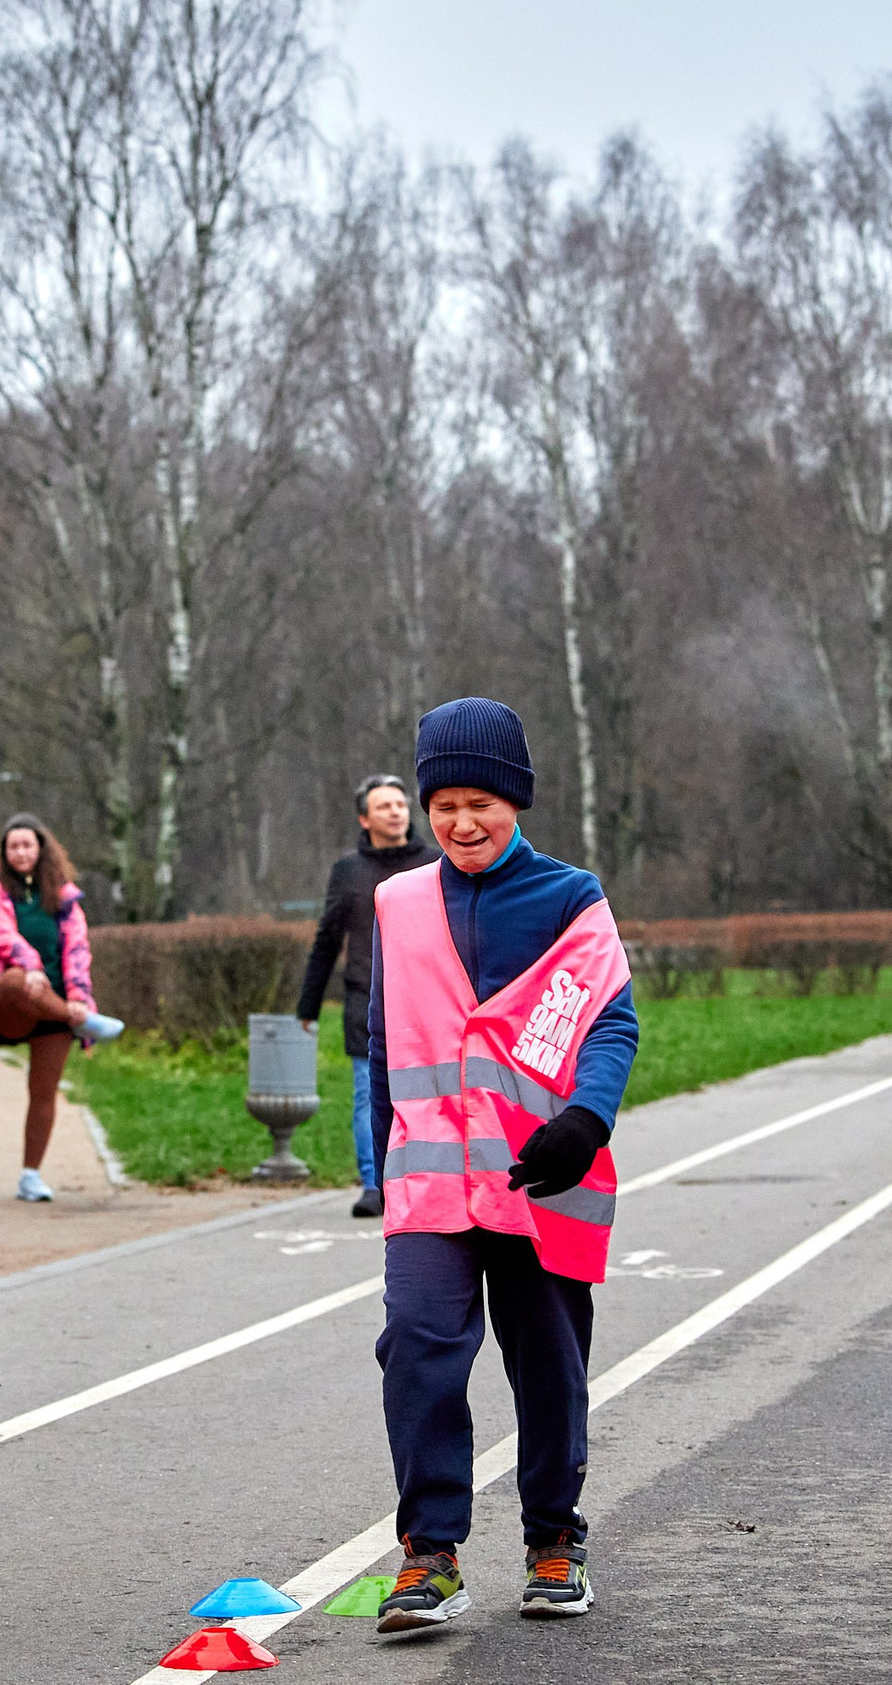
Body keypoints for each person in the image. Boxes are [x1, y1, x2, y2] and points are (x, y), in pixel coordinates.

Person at [364, 698, 639, 1634]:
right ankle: (429, 1554)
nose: (462, 822)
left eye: (482, 800)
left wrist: (587, 1120)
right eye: (444, 803)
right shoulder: (398, 903)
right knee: (418, 1349)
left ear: (516, 799)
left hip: (543, 1177)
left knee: (548, 1362)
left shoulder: (571, 898)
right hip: (431, 1180)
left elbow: (611, 1020)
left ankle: (555, 1537)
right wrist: (378, 1169)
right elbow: (384, 1040)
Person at [0, 813, 122, 1202]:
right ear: (4, 853)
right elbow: (2, 936)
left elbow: (78, 950)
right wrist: (32, 966)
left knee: (44, 1092)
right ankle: (80, 1020)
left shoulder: (65, 898)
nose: (20, 852)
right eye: (13, 846)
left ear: (41, 849)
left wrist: (79, 996)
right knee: (18, 981)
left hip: (56, 1003)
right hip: (15, 1003)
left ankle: (30, 1176)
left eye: (27, 845)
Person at [295, 773, 434, 1217]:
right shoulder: (348, 871)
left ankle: (428, 1176)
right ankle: (374, 1184)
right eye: (384, 806)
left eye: (399, 804)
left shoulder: (436, 862)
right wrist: (308, 1005)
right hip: (366, 1001)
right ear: (364, 818)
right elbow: (327, 939)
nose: (395, 812)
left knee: (430, 1091)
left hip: (428, 1001)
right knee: (367, 1093)